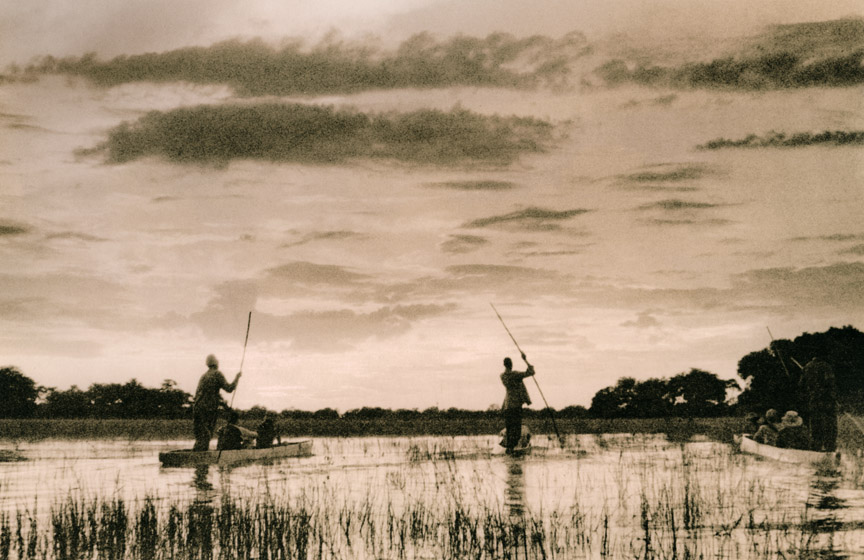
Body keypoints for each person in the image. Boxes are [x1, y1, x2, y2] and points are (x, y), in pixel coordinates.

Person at [192, 354, 242, 451]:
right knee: (207, 435)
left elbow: (203, 393)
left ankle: (197, 455)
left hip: (197, 408)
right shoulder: (217, 374)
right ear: (216, 363)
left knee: (200, 436)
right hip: (208, 409)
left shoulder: (203, 376)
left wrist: (225, 406)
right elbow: (229, 388)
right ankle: (202, 460)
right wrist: (237, 377)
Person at [801, 357, 838, 452]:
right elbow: (831, 384)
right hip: (827, 402)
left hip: (814, 402)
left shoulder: (807, 367)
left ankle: (816, 449)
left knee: (816, 427)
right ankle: (830, 448)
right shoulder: (826, 366)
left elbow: (801, 385)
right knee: (830, 426)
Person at [500, 354, 534, 452]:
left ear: (504, 365)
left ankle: (509, 450)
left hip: (507, 406)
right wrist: (525, 359)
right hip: (515, 407)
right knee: (516, 432)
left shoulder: (502, 376)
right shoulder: (515, 375)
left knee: (510, 431)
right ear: (510, 365)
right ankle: (512, 451)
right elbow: (531, 372)